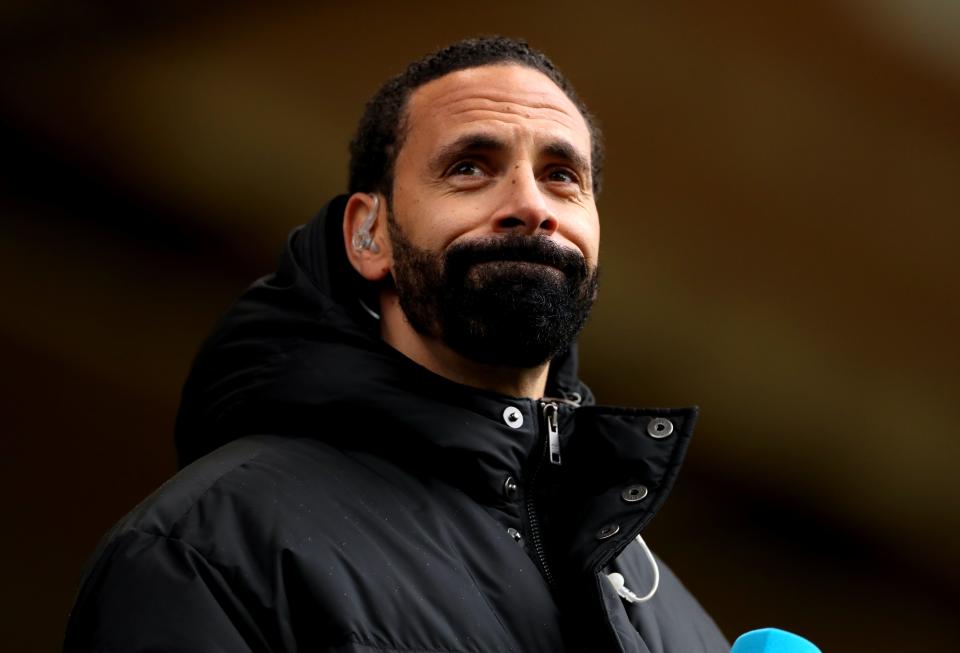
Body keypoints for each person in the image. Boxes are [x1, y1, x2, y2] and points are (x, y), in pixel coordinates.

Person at [64, 36, 728, 652]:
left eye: (561, 176)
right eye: (471, 167)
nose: (532, 203)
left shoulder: (676, 619)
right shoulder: (206, 547)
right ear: (368, 235)